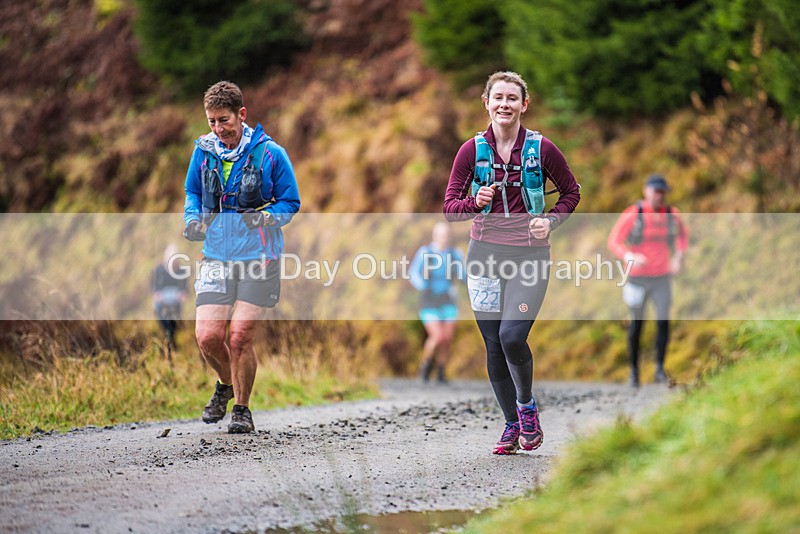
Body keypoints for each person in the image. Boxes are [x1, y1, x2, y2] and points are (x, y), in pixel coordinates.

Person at [443, 71, 580, 455]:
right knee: (492, 344)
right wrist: (475, 203)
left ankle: (526, 407)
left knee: (511, 336)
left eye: (512, 98)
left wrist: (550, 221)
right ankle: (510, 426)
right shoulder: (470, 151)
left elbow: (571, 192)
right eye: (497, 97)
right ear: (486, 102)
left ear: (524, 103)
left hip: (530, 257)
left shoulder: (542, 148)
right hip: (484, 257)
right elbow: (450, 208)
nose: (504, 104)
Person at [183, 81, 301, 434]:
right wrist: (191, 218)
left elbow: (290, 202)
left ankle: (242, 409)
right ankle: (225, 382)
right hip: (216, 254)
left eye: (224, 120)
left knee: (240, 336)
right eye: (212, 122)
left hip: (259, 254)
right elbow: (192, 190)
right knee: (207, 337)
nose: (218, 129)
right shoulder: (203, 151)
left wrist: (265, 217)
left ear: (242, 115)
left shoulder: (271, 154)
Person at [607, 174, 687, 387]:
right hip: (636, 279)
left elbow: (682, 237)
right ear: (646, 191)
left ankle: (659, 369)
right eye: (656, 191)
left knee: (663, 322)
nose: (659, 196)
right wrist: (629, 256)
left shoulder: (672, 214)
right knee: (637, 324)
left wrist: (678, 258)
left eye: (663, 192)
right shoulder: (633, 214)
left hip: (662, 278)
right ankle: (634, 371)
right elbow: (614, 241)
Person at [409, 221, 465, 383]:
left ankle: (441, 371)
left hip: (447, 299)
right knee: (438, 336)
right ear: (434, 236)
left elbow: (463, 276)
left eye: (446, 235)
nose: (444, 238)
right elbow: (413, 274)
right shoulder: (425, 253)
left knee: (447, 338)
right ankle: (426, 365)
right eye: (441, 235)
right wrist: (423, 284)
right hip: (429, 300)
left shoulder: (454, 254)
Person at [151, 243, 188, 352]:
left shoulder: (182, 271)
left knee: (174, 326)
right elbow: (154, 288)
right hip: (161, 304)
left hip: (175, 304)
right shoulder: (158, 270)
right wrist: (158, 295)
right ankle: (167, 346)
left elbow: (185, 289)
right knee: (165, 326)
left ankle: (172, 345)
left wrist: (182, 295)